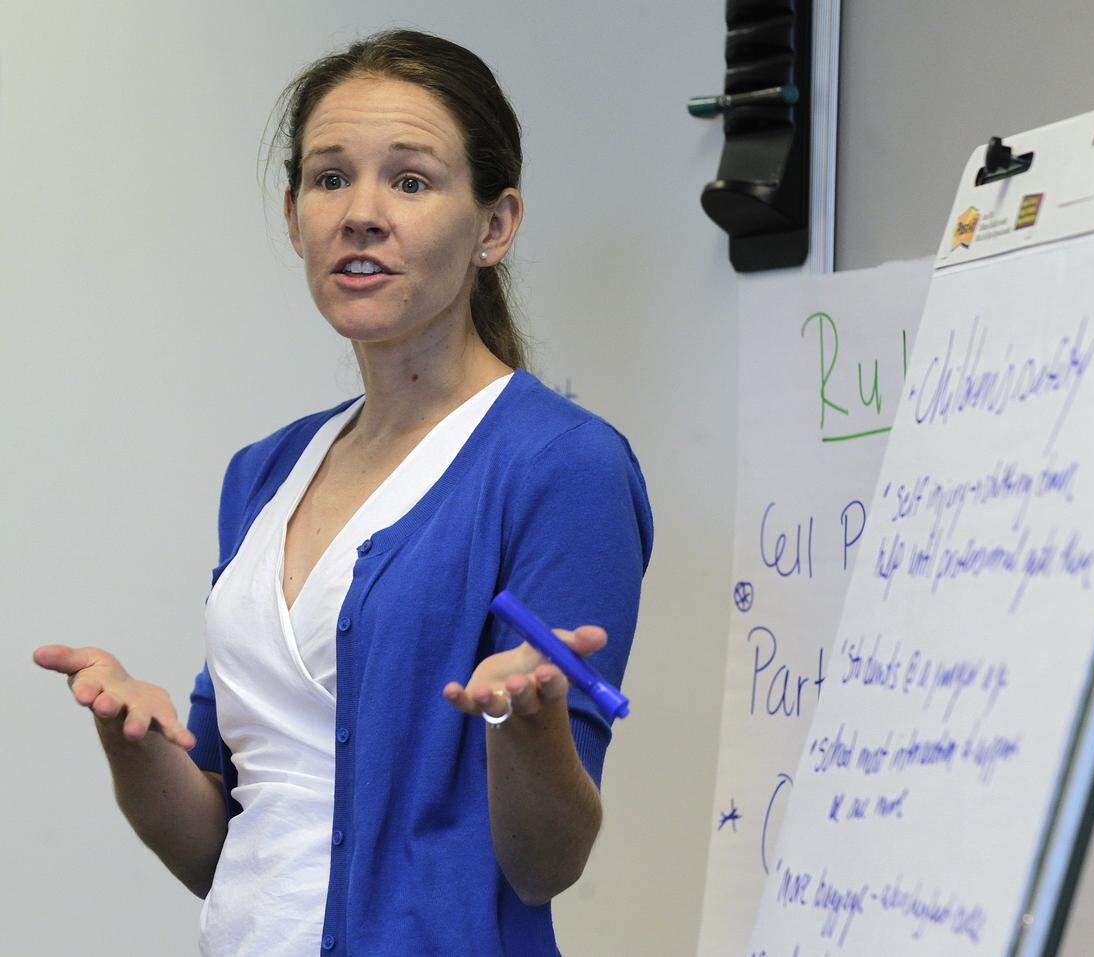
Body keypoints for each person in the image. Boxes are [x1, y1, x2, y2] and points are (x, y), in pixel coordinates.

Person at [32, 28, 652, 957]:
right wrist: (133, 742)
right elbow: (222, 843)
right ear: (294, 219)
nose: (360, 213)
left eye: (410, 180)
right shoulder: (264, 472)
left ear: (495, 224)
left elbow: (543, 865)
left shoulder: (562, 466)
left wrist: (526, 725)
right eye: (329, 179)